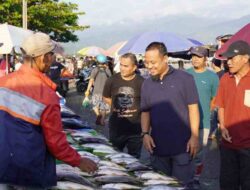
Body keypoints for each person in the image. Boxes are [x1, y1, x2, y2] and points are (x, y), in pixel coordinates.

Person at [0, 33, 97, 189]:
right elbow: (56, 143)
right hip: (29, 171)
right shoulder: (47, 96)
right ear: (43, 57)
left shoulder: (3, 82)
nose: (53, 60)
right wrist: (79, 161)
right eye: (52, 55)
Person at [141, 42, 200, 186]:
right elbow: (145, 111)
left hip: (182, 147)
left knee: (182, 185)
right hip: (158, 147)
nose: (149, 66)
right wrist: (145, 134)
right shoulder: (147, 84)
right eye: (146, 62)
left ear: (165, 58)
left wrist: (194, 136)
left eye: (153, 62)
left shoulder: (185, 79)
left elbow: (193, 109)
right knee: (160, 186)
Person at [215, 40, 250, 190]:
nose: (228, 62)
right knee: (228, 184)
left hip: (248, 146)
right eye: (227, 59)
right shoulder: (225, 79)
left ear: (245, 58)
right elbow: (221, 105)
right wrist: (222, 126)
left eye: (232, 58)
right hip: (228, 144)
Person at [186, 46, 219, 188]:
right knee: (184, 153)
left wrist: (206, 111)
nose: (195, 59)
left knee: (199, 155)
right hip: (185, 122)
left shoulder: (212, 77)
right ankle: (185, 177)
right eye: (193, 56)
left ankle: (196, 178)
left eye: (198, 56)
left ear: (205, 58)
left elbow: (214, 99)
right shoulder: (185, 74)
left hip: (204, 123)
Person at [103, 53, 144, 158]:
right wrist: (115, 105)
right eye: (121, 65)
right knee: (115, 157)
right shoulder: (111, 80)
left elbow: (146, 103)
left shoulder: (142, 82)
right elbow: (105, 97)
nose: (122, 68)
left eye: (126, 66)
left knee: (134, 159)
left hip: (136, 130)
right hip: (117, 128)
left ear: (134, 67)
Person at [84, 54, 112, 126]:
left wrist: (87, 90)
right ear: (105, 62)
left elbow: (91, 80)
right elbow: (111, 81)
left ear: (97, 62)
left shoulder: (95, 70)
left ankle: (98, 115)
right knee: (103, 107)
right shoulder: (107, 70)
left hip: (96, 91)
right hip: (106, 92)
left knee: (95, 106)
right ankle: (102, 121)